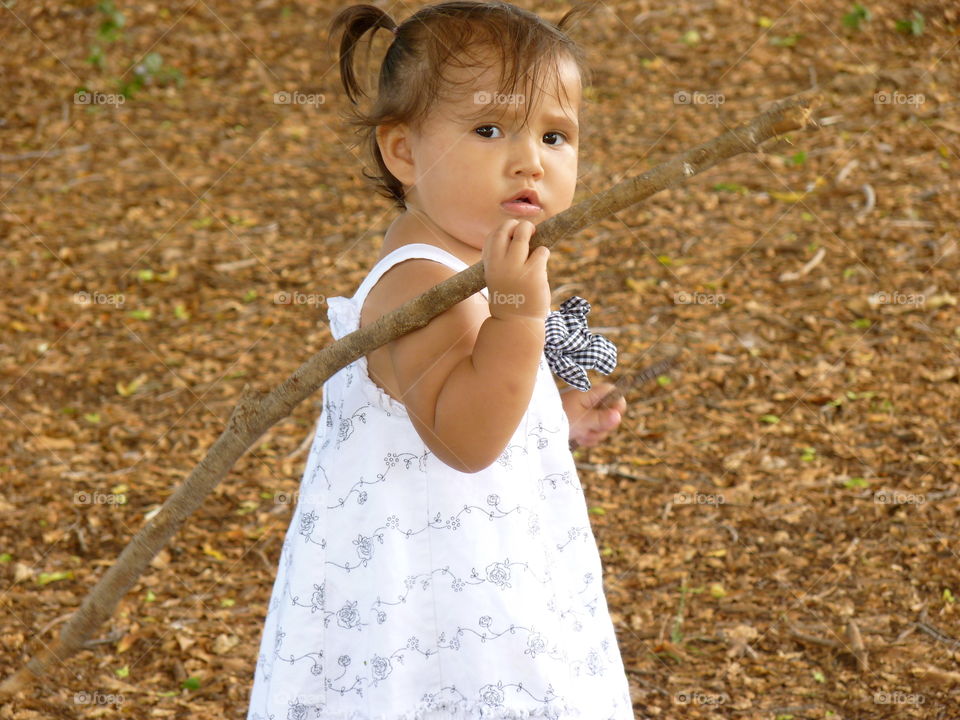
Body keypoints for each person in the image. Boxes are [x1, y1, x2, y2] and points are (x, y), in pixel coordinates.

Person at [247, 2, 633, 717]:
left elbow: (484, 393)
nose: (531, 159)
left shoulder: (463, 261)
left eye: (554, 135)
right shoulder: (419, 284)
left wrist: (551, 414)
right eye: (489, 130)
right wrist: (521, 314)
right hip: (432, 604)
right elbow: (466, 440)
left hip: (480, 565)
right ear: (404, 152)